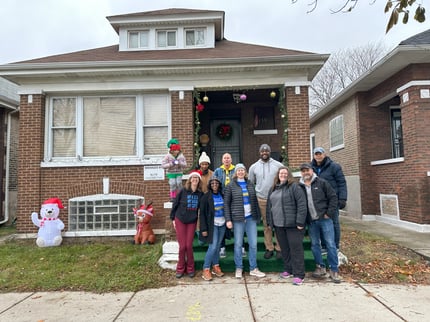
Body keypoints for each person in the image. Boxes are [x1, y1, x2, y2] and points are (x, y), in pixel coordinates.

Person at [299, 163, 341, 283]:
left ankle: (334, 269)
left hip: (325, 219)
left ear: (311, 170)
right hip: (311, 221)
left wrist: (329, 213)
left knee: (330, 244)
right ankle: (320, 267)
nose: (305, 172)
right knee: (315, 245)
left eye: (307, 170)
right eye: (303, 171)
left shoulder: (322, 183)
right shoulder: (299, 186)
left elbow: (333, 197)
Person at [266, 166, 308, 285]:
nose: (283, 175)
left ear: (289, 175)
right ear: (278, 175)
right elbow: (270, 207)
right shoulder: (273, 188)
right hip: (278, 225)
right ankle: (288, 269)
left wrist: (300, 222)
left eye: (285, 173)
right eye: (281, 173)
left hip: (293, 225)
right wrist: (270, 222)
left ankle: (299, 274)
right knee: (285, 249)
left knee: (296, 249)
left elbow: (302, 204)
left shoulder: (294, 187)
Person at [224, 163, 265, 279]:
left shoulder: (250, 184)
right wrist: (228, 219)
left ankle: (253, 268)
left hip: (250, 218)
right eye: (238, 170)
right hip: (237, 219)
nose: (241, 172)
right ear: (235, 173)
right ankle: (239, 267)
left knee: (253, 244)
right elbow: (226, 204)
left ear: (245, 172)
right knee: (238, 244)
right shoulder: (231, 186)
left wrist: (257, 216)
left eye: (242, 170)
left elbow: (254, 201)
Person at [248, 143, 283, 259]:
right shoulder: (254, 167)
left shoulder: (278, 165)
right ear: (260, 153)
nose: (264, 153)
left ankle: (279, 248)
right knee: (267, 225)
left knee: (278, 223)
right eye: (262, 151)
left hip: (275, 199)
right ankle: (269, 248)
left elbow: (283, 180)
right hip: (261, 199)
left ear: (270, 152)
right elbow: (251, 183)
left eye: (266, 151)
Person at [311, 147, 347, 251]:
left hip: (332, 201)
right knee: (321, 224)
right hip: (318, 203)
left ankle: (335, 246)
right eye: (316, 154)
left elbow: (341, 183)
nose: (318, 156)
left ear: (324, 154)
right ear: (314, 155)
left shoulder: (334, 167)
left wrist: (343, 198)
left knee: (334, 223)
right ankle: (324, 246)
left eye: (320, 154)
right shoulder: (310, 167)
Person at [170, 170, 204, 279]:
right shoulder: (183, 191)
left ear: (199, 180)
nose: (194, 180)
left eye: (197, 178)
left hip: (191, 221)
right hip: (180, 219)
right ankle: (180, 268)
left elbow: (203, 208)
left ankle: (190, 268)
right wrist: (173, 219)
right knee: (182, 246)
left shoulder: (200, 194)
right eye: (193, 178)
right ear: (190, 180)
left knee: (189, 246)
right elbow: (175, 204)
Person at [199, 177, 226, 281]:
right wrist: (203, 229)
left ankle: (215, 266)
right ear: (210, 185)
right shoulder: (206, 197)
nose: (215, 185)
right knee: (213, 246)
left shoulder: (222, 195)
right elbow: (202, 215)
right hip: (212, 225)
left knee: (218, 246)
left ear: (219, 184)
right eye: (212, 183)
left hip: (222, 223)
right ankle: (206, 269)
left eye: (216, 183)